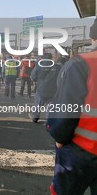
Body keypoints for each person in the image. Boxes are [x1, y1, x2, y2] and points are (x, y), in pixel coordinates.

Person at [47, 19, 97, 195]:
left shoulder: (81, 64)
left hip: (80, 153)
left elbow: (65, 113)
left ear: (93, 37)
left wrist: (59, 138)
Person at [30, 53, 61, 123]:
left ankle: (35, 117)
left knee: (38, 104)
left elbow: (33, 76)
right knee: (50, 107)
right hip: (53, 90)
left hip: (41, 89)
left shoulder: (38, 66)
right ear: (51, 58)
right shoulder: (57, 67)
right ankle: (49, 121)